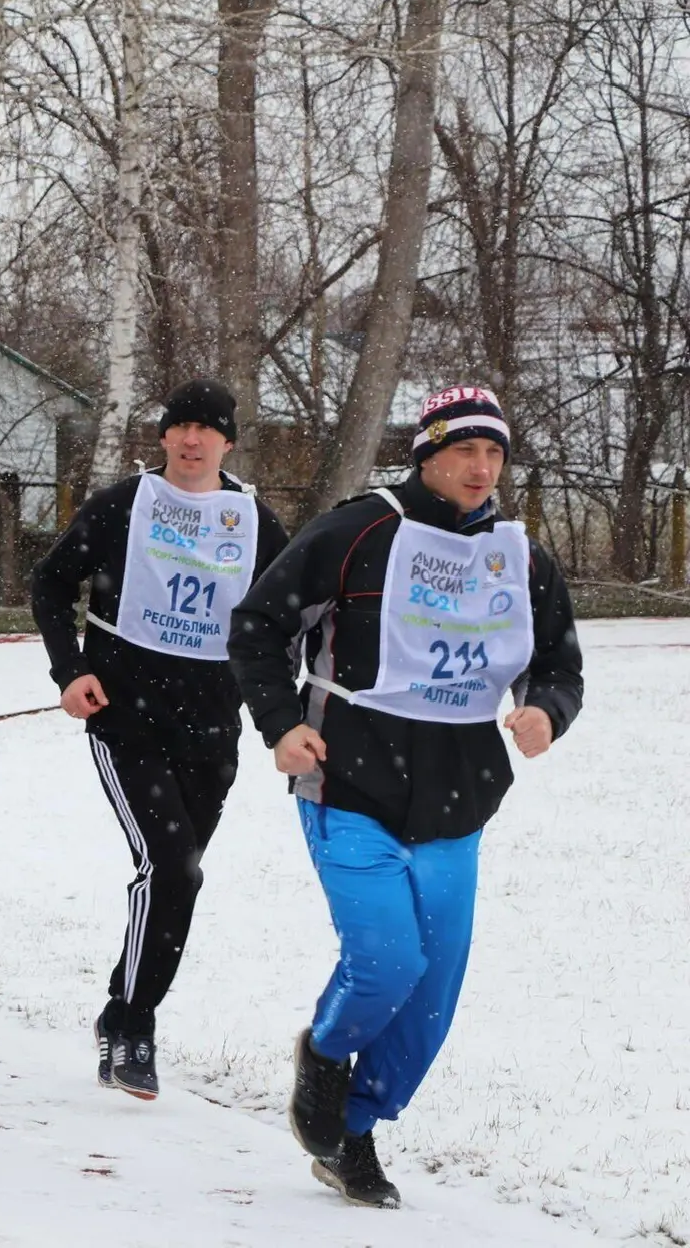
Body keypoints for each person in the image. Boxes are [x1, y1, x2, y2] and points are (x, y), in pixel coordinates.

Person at [228, 385, 583, 1209]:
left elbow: (558, 663)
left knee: (429, 1002)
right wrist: (280, 723)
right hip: (346, 783)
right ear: (428, 454)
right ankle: (323, 1053)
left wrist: (545, 712)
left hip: (459, 801)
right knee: (388, 961)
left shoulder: (516, 553)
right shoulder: (357, 531)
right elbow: (256, 627)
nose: (480, 467)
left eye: (494, 454)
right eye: (464, 450)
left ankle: (354, 1130)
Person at [30, 379, 289, 1100]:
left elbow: (285, 619)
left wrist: (282, 707)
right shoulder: (126, 503)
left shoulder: (255, 522)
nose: (192, 440)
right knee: (172, 866)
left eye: (208, 429)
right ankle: (137, 1027)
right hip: (125, 717)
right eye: (181, 427)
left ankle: (120, 1006)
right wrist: (70, 670)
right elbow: (50, 583)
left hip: (212, 727)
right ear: (164, 436)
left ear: (228, 443)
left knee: (180, 876)